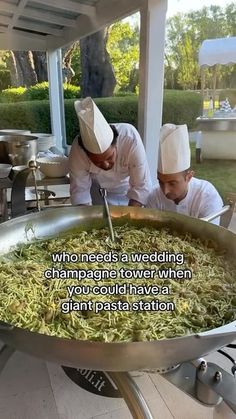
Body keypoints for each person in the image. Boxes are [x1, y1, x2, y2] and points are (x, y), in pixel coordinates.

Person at [69, 97, 152, 207]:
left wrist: (130, 218)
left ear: (116, 144)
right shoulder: (78, 151)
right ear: (87, 155)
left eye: (109, 157)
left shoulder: (130, 138)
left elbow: (141, 186)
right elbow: (80, 191)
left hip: (128, 193)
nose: (106, 164)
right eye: (97, 162)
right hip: (97, 193)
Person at [146, 124, 223, 224]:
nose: (165, 191)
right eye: (160, 182)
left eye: (172, 183)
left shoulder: (207, 196)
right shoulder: (154, 196)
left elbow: (211, 236)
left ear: (189, 177)